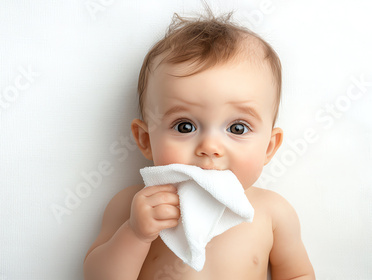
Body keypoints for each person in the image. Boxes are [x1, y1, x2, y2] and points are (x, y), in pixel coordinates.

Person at [84, 9, 315, 280]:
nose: (210, 147)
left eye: (237, 128)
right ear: (146, 140)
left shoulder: (272, 214)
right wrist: (135, 234)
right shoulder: (132, 206)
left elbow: (297, 275)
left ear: (268, 147)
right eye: (185, 126)